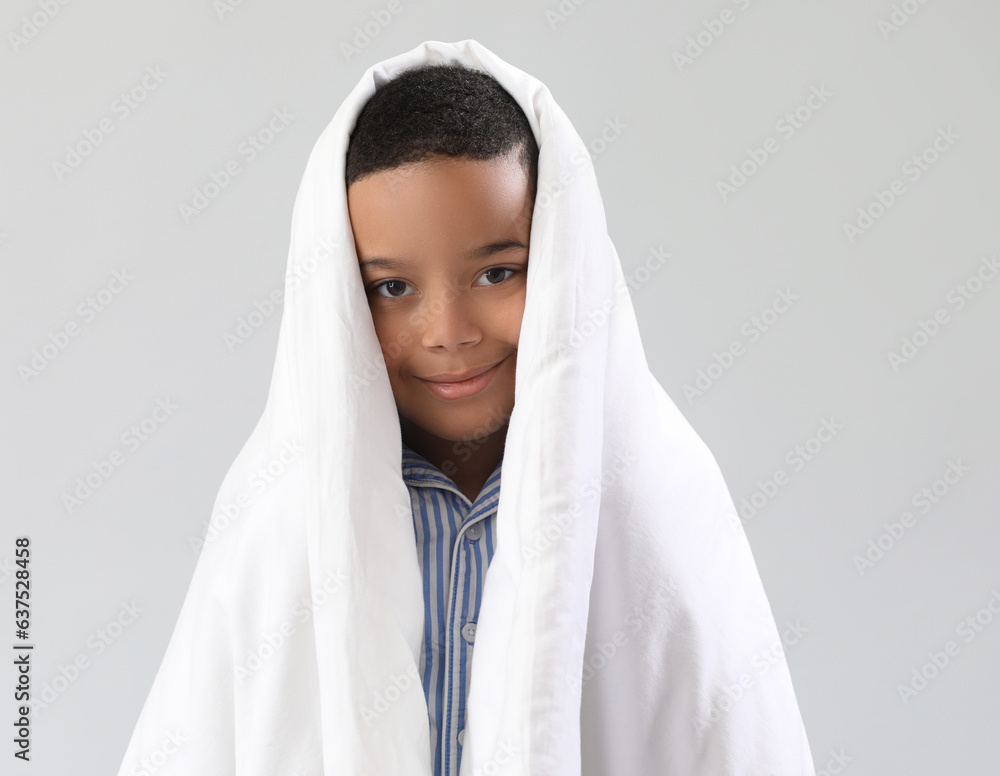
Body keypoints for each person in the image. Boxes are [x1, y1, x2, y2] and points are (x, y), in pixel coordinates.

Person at [116, 39, 817, 776]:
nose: (449, 333)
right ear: (338, 303)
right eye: (392, 288)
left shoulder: (658, 496)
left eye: (496, 272)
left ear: (560, 263)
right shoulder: (279, 511)